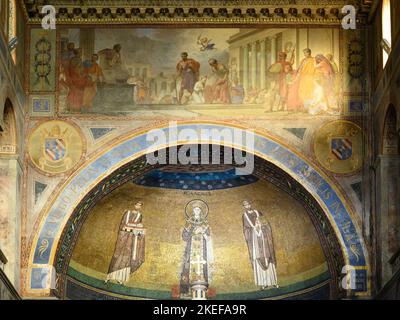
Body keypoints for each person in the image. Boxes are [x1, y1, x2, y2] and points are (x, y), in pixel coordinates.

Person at [106, 202, 146, 284]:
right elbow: (122, 225)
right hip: (123, 238)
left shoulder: (139, 215)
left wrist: (138, 229)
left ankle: (121, 279)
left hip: (131, 241)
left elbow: (138, 226)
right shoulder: (127, 213)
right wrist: (127, 229)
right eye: (137, 205)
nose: (138, 207)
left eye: (139, 206)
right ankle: (110, 276)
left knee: (127, 258)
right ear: (134, 205)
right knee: (117, 256)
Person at [242, 200, 278, 289]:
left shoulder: (257, 212)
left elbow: (266, 223)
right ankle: (263, 283)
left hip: (265, 242)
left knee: (268, 259)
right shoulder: (245, 216)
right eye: (245, 205)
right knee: (258, 260)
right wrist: (253, 230)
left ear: (251, 204)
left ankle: (273, 281)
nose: (248, 206)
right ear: (244, 206)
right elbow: (246, 229)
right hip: (255, 244)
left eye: (248, 204)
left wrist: (262, 227)